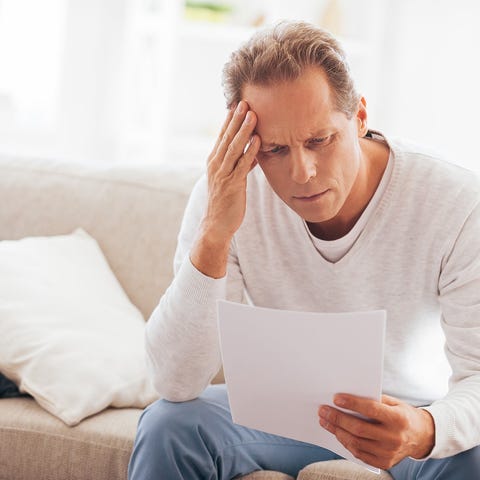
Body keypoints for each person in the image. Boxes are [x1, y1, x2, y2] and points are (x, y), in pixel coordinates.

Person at [128, 21, 480, 480]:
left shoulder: (455, 201)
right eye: (274, 149)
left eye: (321, 140)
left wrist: (426, 428)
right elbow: (175, 381)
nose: (303, 172)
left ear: (359, 118)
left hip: (411, 416)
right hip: (282, 417)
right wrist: (215, 234)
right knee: (168, 425)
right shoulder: (227, 194)